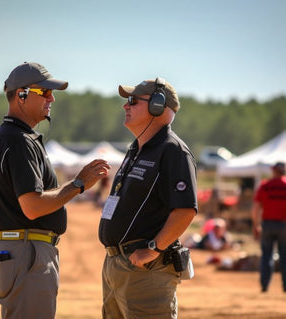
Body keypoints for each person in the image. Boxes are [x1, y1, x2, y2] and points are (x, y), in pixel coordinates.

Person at [0, 62, 110, 319]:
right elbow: (33, 206)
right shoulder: (19, 140)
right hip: (26, 253)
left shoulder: (13, 136)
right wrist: (79, 184)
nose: (51, 98)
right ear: (21, 94)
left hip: (20, 251)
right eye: (44, 92)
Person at [98, 78, 197, 319]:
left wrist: (153, 249)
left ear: (157, 105)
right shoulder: (137, 149)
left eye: (132, 100)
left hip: (145, 269)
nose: (126, 106)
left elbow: (185, 210)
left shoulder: (173, 150)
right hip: (117, 265)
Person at [251, 162, 286, 293]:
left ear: (274, 171)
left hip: (267, 224)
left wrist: (256, 225)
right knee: (285, 257)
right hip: (284, 225)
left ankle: (265, 286)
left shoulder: (265, 186)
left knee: (267, 255)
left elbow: (256, 208)